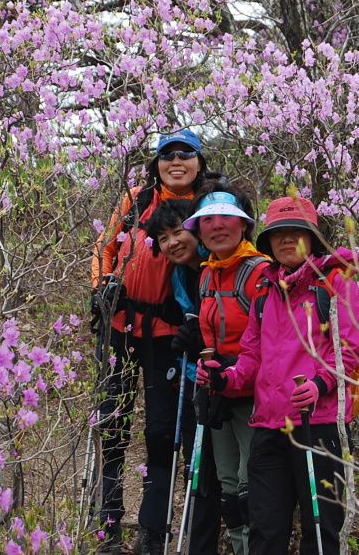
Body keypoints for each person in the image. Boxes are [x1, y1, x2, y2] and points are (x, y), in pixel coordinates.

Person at [197, 196, 359, 555]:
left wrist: (321, 383)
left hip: (317, 424)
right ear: (269, 243)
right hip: (268, 427)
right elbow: (252, 355)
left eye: (296, 232)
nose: (287, 240)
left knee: (320, 531)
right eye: (279, 234)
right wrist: (224, 379)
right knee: (265, 530)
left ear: (312, 237)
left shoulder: (336, 283)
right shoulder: (265, 290)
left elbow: (349, 349)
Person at [90, 129, 209, 555]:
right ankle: (107, 520)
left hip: (169, 336)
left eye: (186, 154)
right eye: (167, 155)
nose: (176, 162)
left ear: (199, 160)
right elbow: (105, 247)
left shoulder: (208, 204)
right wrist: (101, 285)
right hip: (120, 327)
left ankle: (152, 530)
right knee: (112, 423)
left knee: (161, 431)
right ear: (156, 162)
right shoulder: (136, 198)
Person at [181, 181, 270, 555]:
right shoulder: (206, 274)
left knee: (254, 489)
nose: (218, 225)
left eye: (227, 217)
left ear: (245, 225)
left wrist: (233, 368)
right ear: (198, 229)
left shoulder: (260, 273)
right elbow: (209, 340)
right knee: (229, 489)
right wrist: (205, 364)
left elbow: (275, 342)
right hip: (219, 394)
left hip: (255, 399)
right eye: (207, 219)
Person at [144, 199, 222, 555]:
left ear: (194, 228)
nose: (173, 242)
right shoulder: (179, 275)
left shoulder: (218, 263)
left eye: (177, 232)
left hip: (228, 378)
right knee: (197, 467)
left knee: (221, 472)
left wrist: (202, 336)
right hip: (195, 379)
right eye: (163, 238)